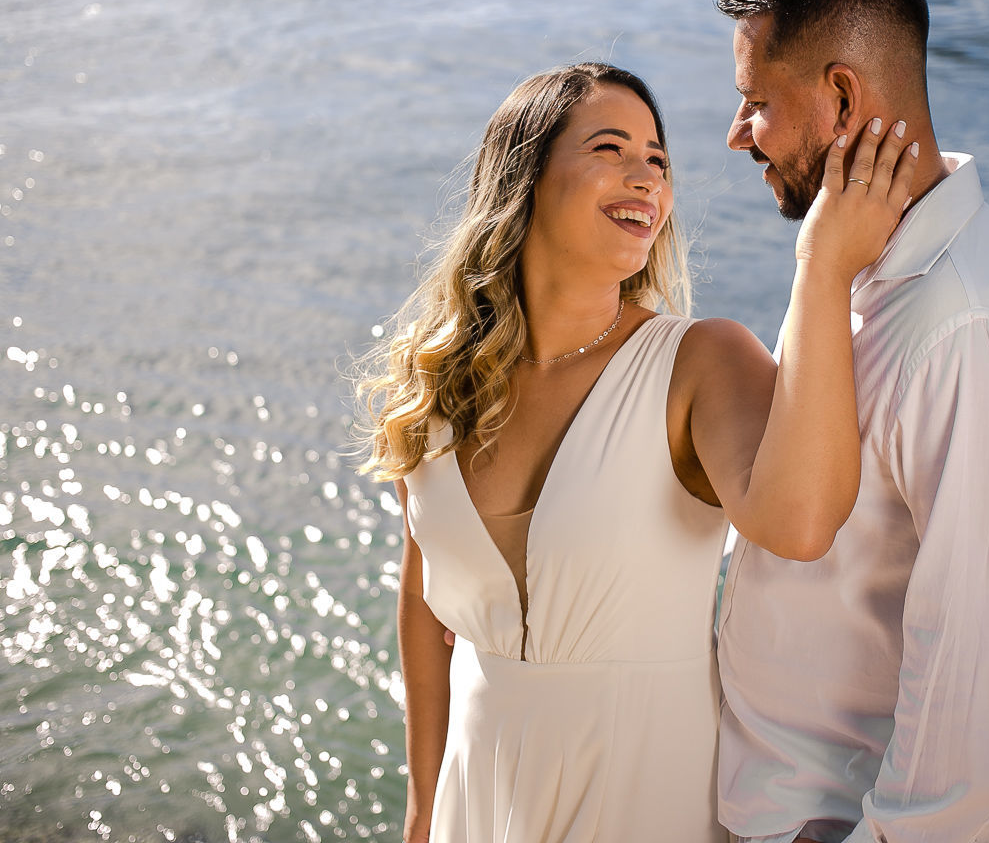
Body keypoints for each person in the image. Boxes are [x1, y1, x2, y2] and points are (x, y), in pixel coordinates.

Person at [356, 61, 914, 842]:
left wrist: (821, 267)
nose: (646, 176)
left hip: (645, 792)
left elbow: (801, 522)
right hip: (476, 796)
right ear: (526, 178)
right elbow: (424, 598)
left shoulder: (698, 362)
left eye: (657, 159)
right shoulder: (440, 385)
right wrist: (421, 810)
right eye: (612, 149)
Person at [714, 0, 989, 843]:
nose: (737, 136)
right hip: (749, 797)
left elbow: (983, 646)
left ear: (841, 99)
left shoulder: (973, 332)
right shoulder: (853, 265)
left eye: (756, 102)